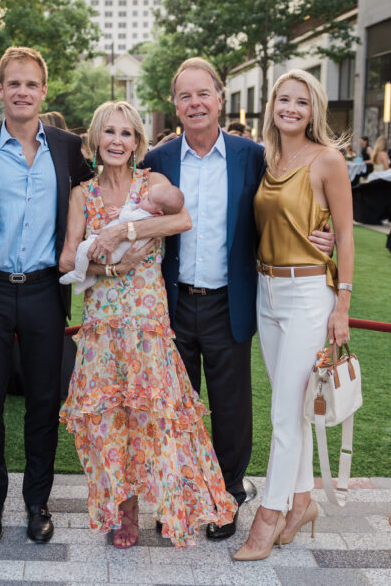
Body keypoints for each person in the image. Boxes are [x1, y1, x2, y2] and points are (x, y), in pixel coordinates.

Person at [137, 57, 334, 541]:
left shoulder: (252, 156)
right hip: (173, 302)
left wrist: (320, 236)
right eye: (185, 96)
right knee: (176, 407)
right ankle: (178, 497)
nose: (195, 103)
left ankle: (225, 498)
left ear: (220, 99)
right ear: (175, 105)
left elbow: (292, 199)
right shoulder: (158, 162)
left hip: (233, 299)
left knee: (231, 409)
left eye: (203, 93)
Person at [59, 100, 236, 548]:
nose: (117, 141)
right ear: (96, 139)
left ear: (137, 142)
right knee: (110, 423)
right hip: (102, 324)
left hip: (147, 322)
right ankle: (126, 512)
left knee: (153, 418)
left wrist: (125, 232)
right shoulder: (83, 193)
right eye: (109, 132)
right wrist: (112, 270)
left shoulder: (151, 184)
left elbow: (184, 218)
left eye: (125, 133)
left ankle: (173, 505)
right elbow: (66, 258)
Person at [0, 46, 93, 547]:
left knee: (44, 403)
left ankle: (38, 501)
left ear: (43, 91)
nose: (22, 92)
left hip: (44, 292)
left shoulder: (67, 147)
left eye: (31, 84)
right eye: (13, 84)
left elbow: (103, 198)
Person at [235, 69, 354, 560]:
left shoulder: (328, 160)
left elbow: (345, 235)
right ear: (272, 105)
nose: (290, 108)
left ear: (314, 110)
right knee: (296, 408)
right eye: (283, 100)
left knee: (284, 414)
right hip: (266, 292)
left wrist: (342, 304)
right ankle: (302, 501)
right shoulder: (266, 158)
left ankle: (269, 515)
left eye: (301, 102)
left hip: (308, 294)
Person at [59, 182, 183, 291]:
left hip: (113, 253)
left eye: (148, 199)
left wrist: (125, 209)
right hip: (113, 251)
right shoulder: (148, 212)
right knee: (90, 252)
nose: (144, 195)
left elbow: (125, 217)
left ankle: (79, 274)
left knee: (83, 248)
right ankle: (90, 278)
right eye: (147, 193)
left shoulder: (144, 215)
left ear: (158, 213)